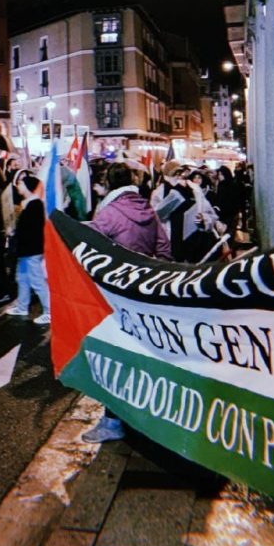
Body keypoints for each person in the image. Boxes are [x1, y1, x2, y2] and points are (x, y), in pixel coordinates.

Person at [82, 163, 172, 443]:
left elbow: (88, 247)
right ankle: (144, 415)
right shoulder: (149, 210)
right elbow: (165, 250)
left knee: (114, 358)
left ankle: (112, 422)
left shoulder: (109, 214)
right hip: (144, 295)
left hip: (115, 297)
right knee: (141, 354)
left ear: (108, 185)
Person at [5, 171, 51, 324]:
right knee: (22, 279)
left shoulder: (35, 205)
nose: (18, 185)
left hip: (31, 250)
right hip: (26, 251)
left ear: (28, 187)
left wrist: (14, 232)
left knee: (37, 281)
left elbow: (30, 230)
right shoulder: (29, 204)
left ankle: (49, 311)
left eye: (21, 183)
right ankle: (22, 306)